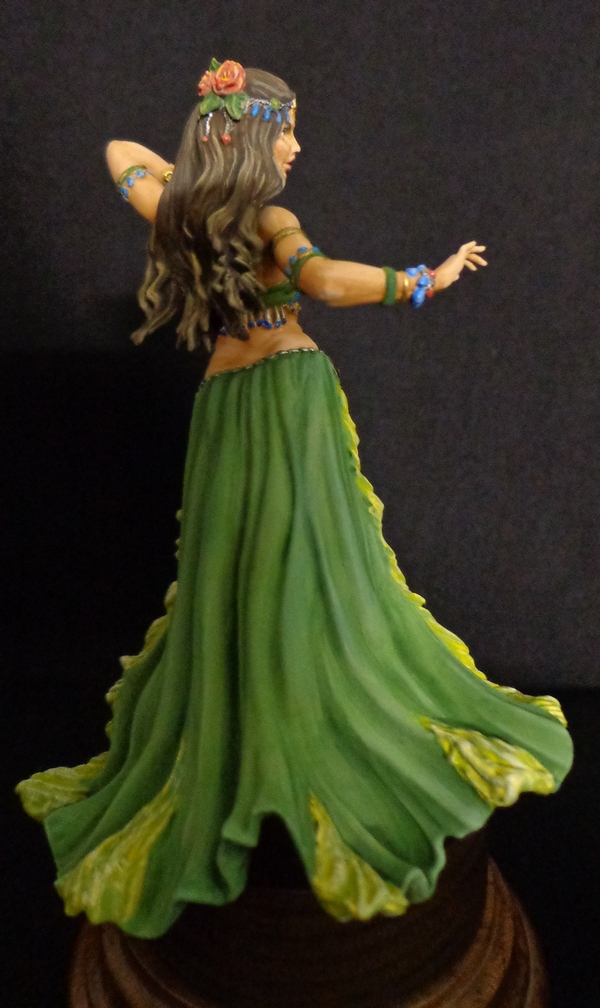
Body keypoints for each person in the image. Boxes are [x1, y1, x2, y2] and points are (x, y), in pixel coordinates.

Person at [17, 60, 573, 939]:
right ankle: (279, 731)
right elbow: (324, 284)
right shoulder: (264, 219)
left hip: (227, 403)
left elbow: (122, 155)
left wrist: (202, 171)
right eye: (284, 130)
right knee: (271, 560)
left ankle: (281, 717)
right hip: (279, 396)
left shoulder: (183, 214)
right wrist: (423, 279)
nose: (297, 146)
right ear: (249, 138)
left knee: (271, 559)